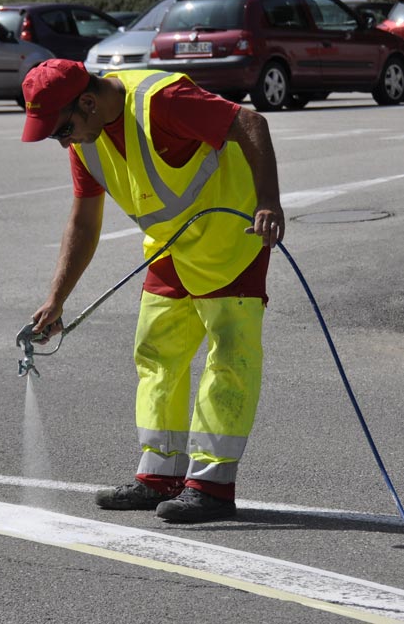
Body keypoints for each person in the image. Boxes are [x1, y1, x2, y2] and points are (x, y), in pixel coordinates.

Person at [21, 58, 285, 523]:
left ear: (86, 101)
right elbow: (84, 220)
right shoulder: (86, 140)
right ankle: (159, 476)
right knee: (156, 351)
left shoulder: (159, 100)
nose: (60, 141)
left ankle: (212, 485)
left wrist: (268, 200)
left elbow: (249, 121)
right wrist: (56, 297)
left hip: (231, 238)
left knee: (229, 355)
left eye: (61, 129)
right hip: (170, 243)